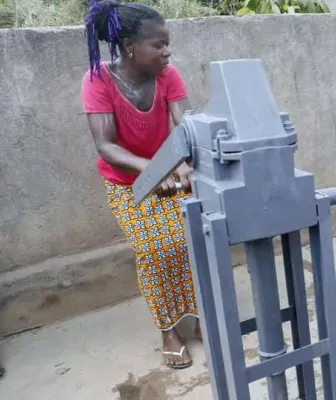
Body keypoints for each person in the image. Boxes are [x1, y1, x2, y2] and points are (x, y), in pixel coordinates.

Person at [81, 0, 200, 369]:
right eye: (158, 45)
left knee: (182, 244)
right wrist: (157, 169)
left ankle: (191, 317)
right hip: (126, 184)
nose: (168, 52)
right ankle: (168, 329)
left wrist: (185, 162)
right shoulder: (97, 80)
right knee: (153, 253)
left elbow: (184, 125)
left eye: (168, 43)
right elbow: (106, 146)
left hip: (167, 175)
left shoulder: (168, 75)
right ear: (130, 46)